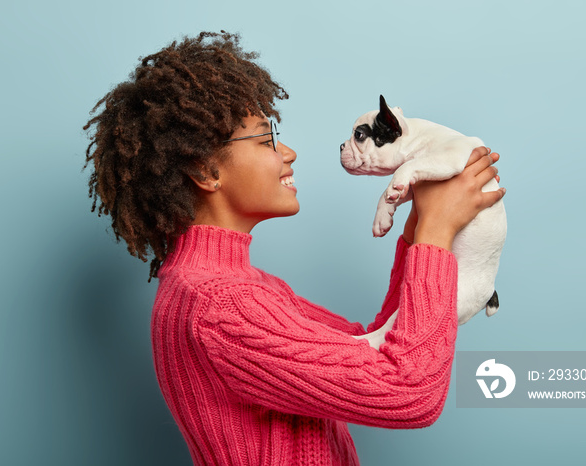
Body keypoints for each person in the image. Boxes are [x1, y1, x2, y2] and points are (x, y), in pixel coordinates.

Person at [83, 31, 505, 466]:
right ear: (205, 171)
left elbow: (370, 344)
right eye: (266, 140)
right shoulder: (221, 307)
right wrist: (436, 232)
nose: (289, 152)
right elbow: (408, 391)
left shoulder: (235, 288)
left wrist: (418, 227)